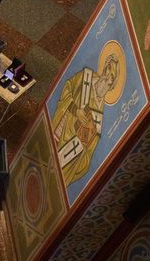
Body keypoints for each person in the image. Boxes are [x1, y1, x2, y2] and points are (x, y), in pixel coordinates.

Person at [50, 51, 122, 186]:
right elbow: (68, 87)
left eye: (110, 80)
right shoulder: (86, 78)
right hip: (58, 129)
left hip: (65, 152)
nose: (106, 79)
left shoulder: (98, 117)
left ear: (112, 85)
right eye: (107, 72)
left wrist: (82, 154)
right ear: (104, 68)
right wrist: (75, 110)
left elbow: (86, 155)